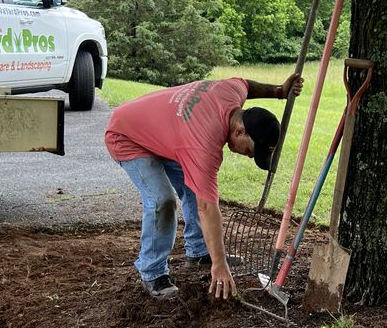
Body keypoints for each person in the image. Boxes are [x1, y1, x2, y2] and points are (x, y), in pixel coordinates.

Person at [105, 73, 303, 300]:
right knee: (162, 200)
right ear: (239, 131)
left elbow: (247, 85)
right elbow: (207, 207)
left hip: (165, 133)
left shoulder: (232, 91)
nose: (249, 156)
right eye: (250, 151)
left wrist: (279, 91)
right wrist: (220, 264)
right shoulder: (204, 146)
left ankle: (199, 250)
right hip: (126, 135)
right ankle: (152, 272)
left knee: (195, 185)